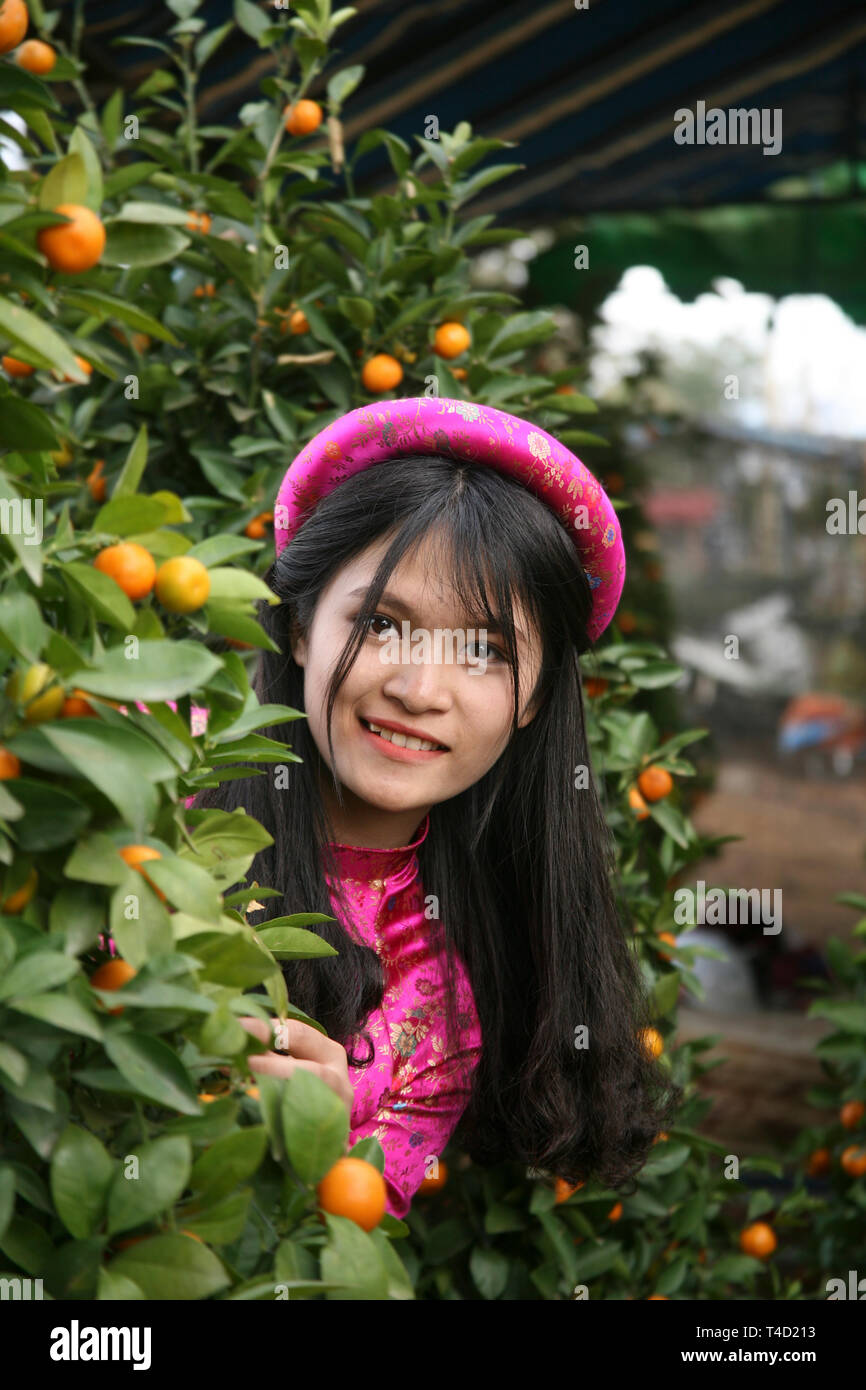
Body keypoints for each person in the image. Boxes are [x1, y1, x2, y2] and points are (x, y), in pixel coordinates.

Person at [191, 395, 680, 1218]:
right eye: (382, 624)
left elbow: (313, 1254)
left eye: (484, 651)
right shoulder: (151, 767)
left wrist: (304, 1147)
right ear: (303, 626)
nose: (419, 691)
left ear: (533, 700)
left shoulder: (440, 1024)